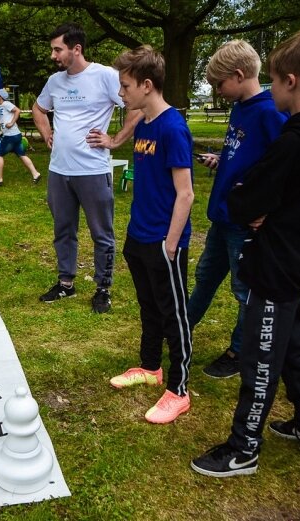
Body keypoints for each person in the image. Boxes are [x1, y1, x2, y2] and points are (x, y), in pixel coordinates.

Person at [191, 27, 300, 478]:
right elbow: (277, 191)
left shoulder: (294, 140)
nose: (271, 88)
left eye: (274, 80)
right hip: (297, 257)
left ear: (290, 81)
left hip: (276, 264)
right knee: (294, 345)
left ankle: (243, 448)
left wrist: (254, 203)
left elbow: (247, 199)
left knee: (260, 358)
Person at [188, 41, 289, 379]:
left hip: (245, 223)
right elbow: (246, 154)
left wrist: (268, 209)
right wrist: (222, 158)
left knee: (244, 291)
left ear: (239, 75)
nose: (218, 91)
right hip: (222, 216)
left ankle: (239, 351)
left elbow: (283, 167)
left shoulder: (271, 110)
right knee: (205, 277)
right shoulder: (241, 106)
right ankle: (180, 328)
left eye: (219, 84)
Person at [108, 45, 194, 424]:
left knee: (173, 315)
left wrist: (171, 244)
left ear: (147, 84)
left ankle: (178, 388)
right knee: (148, 306)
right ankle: (150, 367)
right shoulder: (142, 123)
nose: (121, 93)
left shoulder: (173, 127)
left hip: (163, 242)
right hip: (138, 236)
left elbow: (185, 193)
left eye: (125, 86)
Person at [32, 22, 142, 314]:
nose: (53, 55)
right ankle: (66, 283)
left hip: (93, 171)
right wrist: (46, 134)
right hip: (59, 171)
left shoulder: (105, 76)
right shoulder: (55, 82)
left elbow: (138, 106)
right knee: (63, 230)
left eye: (58, 49)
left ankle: (103, 288)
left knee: (101, 233)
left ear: (76, 48)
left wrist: (115, 140)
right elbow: (38, 109)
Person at [0, 88, 41, 186]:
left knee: (0, 154)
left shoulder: (6, 104)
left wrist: (12, 123)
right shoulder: (0, 108)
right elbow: (1, 121)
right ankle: (36, 174)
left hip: (10, 135)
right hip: (15, 135)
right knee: (21, 155)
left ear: (0, 97)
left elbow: (17, 110)